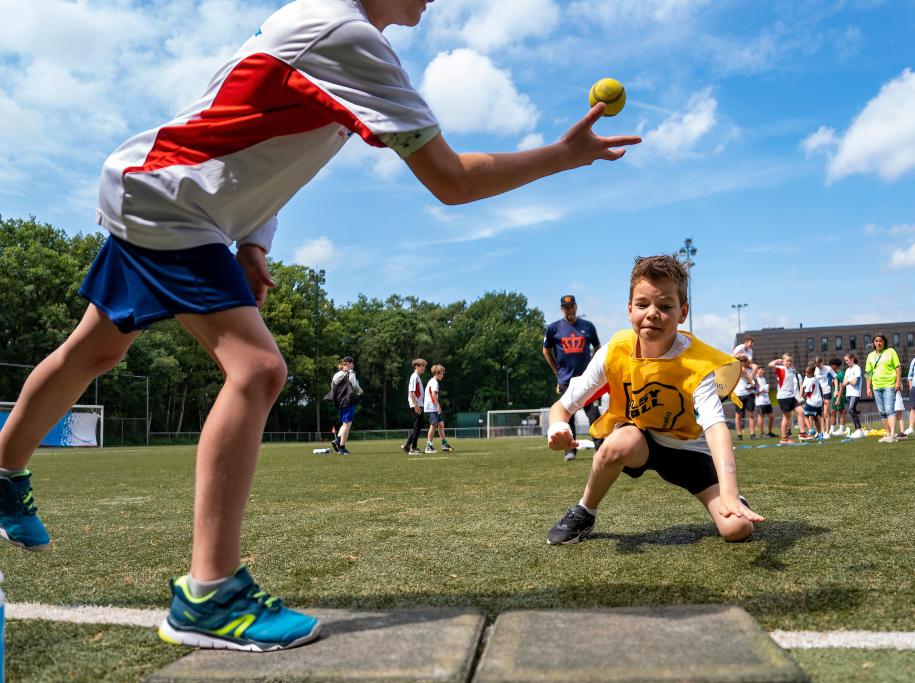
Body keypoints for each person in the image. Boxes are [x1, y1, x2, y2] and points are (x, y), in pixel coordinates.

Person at [0, 0, 642, 653]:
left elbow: (254, 134)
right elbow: (451, 180)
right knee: (258, 370)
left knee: (93, 350)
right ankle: (208, 593)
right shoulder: (350, 38)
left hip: (159, 188)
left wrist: (253, 244)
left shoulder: (323, 25)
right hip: (174, 203)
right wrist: (563, 156)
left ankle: (3, 469)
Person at [545, 255, 764, 545]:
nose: (652, 313)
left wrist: (728, 491)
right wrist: (558, 428)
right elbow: (562, 407)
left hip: (688, 453)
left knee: (737, 530)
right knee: (618, 443)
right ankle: (585, 510)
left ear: (682, 312)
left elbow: (715, 427)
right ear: (629, 309)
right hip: (641, 440)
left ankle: (733, 498)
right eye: (642, 304)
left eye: (665, 306)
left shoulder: (696, 363)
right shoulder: (614, 351)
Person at [543, 295, 602, 461]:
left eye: (571, 306)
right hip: (565, 381)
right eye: (566, 307)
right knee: (568, 418)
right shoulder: (554, 328)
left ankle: (601, 447)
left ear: (576, 307)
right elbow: (546, 351)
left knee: (594, 415)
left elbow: (598, 349)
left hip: (587, 381)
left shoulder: (588, 326)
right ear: (562, 309)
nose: (569, 309)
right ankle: (569, 450)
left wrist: (595, 371)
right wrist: (557, 373)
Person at [865, 335, 902, 443]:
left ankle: (892, 435)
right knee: (882, 412)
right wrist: (868, 387)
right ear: (873, 343)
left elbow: (898, 367)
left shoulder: (891, 351)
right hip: (876, 386)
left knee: (889, 409)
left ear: (884, 342)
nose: (878, 343)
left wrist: (898, 382)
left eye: (881, 341)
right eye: (876, 341)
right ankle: (888, 433)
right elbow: (868, 373)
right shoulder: (870, 356)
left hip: (889, 385)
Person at [329, 356, 363, 454]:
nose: (353, 365)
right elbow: (355, 386)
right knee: (347, 423)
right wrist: (360, 392)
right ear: (348, 363)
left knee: (345, 423)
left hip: (339, 401)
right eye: (352, 363)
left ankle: (341, 447)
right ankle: (338, 442)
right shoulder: (350, 373)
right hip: (348, 400)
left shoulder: (336, 375)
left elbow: (332, 386)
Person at [768, 354, 804, 444]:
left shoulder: (791, 370)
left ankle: (803, 434)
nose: (789, 363)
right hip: (783, 396)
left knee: (801, 411)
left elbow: (794, 370)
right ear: (783, 362)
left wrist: (789, 362)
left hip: (791, 396)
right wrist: (778, 360)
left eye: (790, 361)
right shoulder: (780, 369)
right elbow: (770, 365)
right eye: (787, 361)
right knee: (787, 417)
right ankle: (784, 439)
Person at [423, 364, 453, 454]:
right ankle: (428, 446)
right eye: (442, 374)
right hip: (432, 407)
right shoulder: (434, 382)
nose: (442, 375)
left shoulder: (432, 381)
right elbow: (433, 395)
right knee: (434, 425)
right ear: (437, 373)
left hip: (432, 406)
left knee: (441, 424)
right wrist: (438, 405)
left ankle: (444, 444)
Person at [402, 358, 428, 455]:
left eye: (424, 366)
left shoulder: (417, 377)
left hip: (418, 404)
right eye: (422, 366)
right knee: (418, 425)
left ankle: (407, 445)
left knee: (418, 425)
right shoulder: (414, 377)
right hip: (416, 404)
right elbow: (411, 392)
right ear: (416, 366)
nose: (424, 368)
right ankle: (413, 448)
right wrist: (416, 405)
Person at [842, 352, 865, 438]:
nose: (846, 362)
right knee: (853, 411)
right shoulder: (848, 370)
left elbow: (854, 382)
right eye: (845, 361)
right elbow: (843, 383)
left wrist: (848, 381)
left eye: (847, 360)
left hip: (855, 393)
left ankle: (859, 429)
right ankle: (858, 430)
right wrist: (848, 381)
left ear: (852, 359)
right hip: (849, 393)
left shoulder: (857, 368)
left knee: (851, 410)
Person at [733, 358, 757, 440]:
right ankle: (739, 435)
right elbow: (748, 377)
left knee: (751, 414)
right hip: (739, 395)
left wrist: (751, 367)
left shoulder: (749, 369)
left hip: (749, 394)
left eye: (746, 362)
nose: (746, 363)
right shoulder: (738, 369)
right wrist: (752, 379)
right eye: (744, 361)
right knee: (738, 416)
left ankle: (752, 434)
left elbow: (755, 366)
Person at [813, 356, 836, 438]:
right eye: (817, 365)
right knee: (820, 413)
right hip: (818, 393)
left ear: (822, 362)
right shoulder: (815, 370)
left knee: (826, 412)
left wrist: (836, 390)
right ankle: (821, 431)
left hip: (827, 391)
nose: (818, 367)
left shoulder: (828, 369)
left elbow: (835, 378)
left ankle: (827, 432)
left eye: (819, 365)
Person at [801, 363, 825, 439]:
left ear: (812, 372)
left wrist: (802, 399)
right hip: (819, 401)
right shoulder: (816, 379)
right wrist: (822, 398)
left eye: (808, 373)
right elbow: (820, 389)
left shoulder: (810, 380)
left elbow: (807, 391)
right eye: (806, 373)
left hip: (812, 402)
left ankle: (811, 429)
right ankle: (820, 434)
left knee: (804, 415)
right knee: (816, 417)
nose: (806, 374)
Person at [753, 365, 776, 438]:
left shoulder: (763, 378)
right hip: (760, 401)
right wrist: (760, 390)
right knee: (761, 416)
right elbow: (753, 389)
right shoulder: (755, 379)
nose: (763, 371)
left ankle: (769, 432)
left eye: (763, 370)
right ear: (757, 370)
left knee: (771, 417)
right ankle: (762, 433)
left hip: (767, 401)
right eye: (761, 369)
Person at [827, 358, 848, 436]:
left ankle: (841, 429)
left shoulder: (841, 374)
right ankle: (832, 429)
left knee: (841, 411)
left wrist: (839, 398)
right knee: (833, 411)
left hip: (840, 395)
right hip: (834, 395)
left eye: (831, 365)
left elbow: (842, 387)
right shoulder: (833, 374)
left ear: (835, 365)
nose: (830, 367)